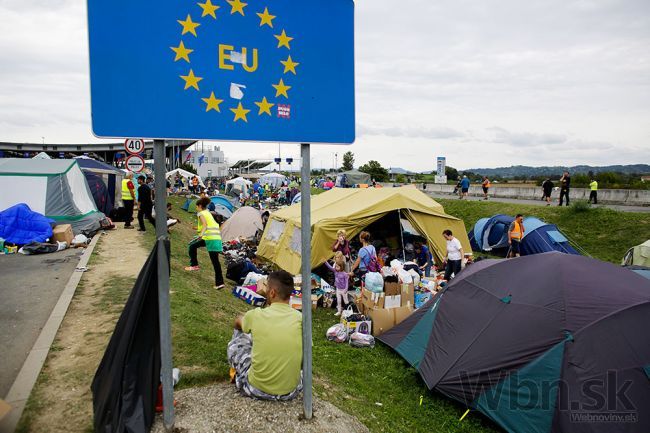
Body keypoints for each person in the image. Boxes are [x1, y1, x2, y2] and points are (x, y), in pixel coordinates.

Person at [228, 270, 302, 400]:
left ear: (272, 292)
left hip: (256, 389)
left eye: (266, 287)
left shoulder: (256, 315)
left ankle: (237, 373)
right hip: (291, 391)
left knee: (238, 340)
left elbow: (237, 322)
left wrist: (240, 322)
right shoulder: (300, 318)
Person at [185, 197, 225, 290]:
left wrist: (201, 234)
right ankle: (194, 265)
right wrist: (196, 228)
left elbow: (205, 225)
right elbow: (208, 225)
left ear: (199, 206)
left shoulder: (201, 213)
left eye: (196, 207)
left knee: (215, 262)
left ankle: (219, 283)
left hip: (210, 239)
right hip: (215, 238)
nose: (196, 209)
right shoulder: (208, 213)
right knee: (193, 246)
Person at [324, 252, 351, 316]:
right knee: (339, 301)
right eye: (336, 267)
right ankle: (339, 311)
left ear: (341, 267)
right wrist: (325, 262)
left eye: (337, 267)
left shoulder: (344, 274)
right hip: (338, 289)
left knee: (346, 301)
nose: (336, 268)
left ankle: (348, 312)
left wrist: (346, 289)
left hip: (343, 289)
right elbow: (330, 267)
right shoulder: (335, 271)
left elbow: (347, 282)